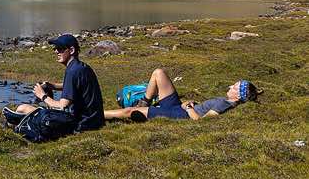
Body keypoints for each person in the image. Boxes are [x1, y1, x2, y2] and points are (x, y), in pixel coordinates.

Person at [3, 33, 105, 132]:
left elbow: (62, 105)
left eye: (60, 48)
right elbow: (75, 86)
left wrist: (42, 96)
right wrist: (53, 86)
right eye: (55, 48)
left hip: (82, 124)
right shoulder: (80, 67)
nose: (56, 51)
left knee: (22, 108)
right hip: (94, 120)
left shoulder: (72, 71)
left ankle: (13, 127)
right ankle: (17, 124)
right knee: (33, 111)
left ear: (71, 50)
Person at [104, 68, 258, 122]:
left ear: (238, 96)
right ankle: (145, 102)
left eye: (235, 87)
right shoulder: (228, 102)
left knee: (130, 112)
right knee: (159, 73)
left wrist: (189, 107)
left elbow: (201, 122)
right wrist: (192, 105)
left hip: (180, 114)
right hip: (180, 108)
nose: (230, 86)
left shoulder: (225, 104)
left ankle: (95, 115)